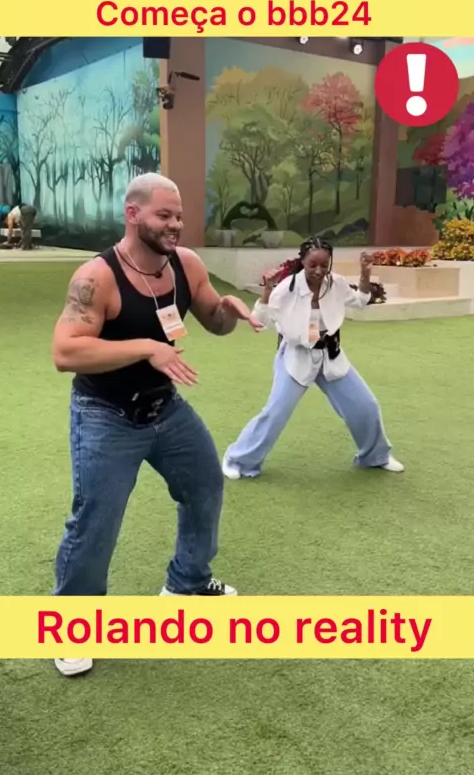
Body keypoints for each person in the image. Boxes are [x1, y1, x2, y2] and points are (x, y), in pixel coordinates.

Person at [51, 172, 262, 677]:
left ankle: (187, 583)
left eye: (179, 216)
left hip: (164, 408)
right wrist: (147, 348)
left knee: (205, 486)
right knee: (96, 521)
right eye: (164, 215)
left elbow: (213, 320)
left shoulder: (186, 264)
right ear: (133, 214)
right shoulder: (97, 277)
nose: (175, 225)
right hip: (105, 414)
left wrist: (229, 311)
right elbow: (66, 352)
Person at [222, 237, 404, 482]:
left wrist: (365, 272)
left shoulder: (336, 283)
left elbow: (360, 301)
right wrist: (267, 291)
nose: (318, 270)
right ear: (302, 262)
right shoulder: (286, 288)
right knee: (275, 413)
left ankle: (375, 456)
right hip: (296, 357)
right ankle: (238, 460)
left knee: (366, 406)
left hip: (330, 355)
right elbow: (260, 321)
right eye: (312, 265)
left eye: (324, 265)